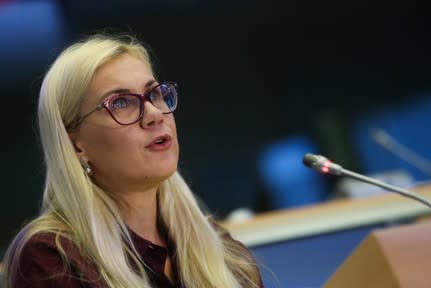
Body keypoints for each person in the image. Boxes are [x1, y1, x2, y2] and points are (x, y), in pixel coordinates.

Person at [1, 34, 263, 288]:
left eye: (155, 94)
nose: (154, 114)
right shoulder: (53, 259)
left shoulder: (221, 250)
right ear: (74, 144)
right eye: (120, 103)